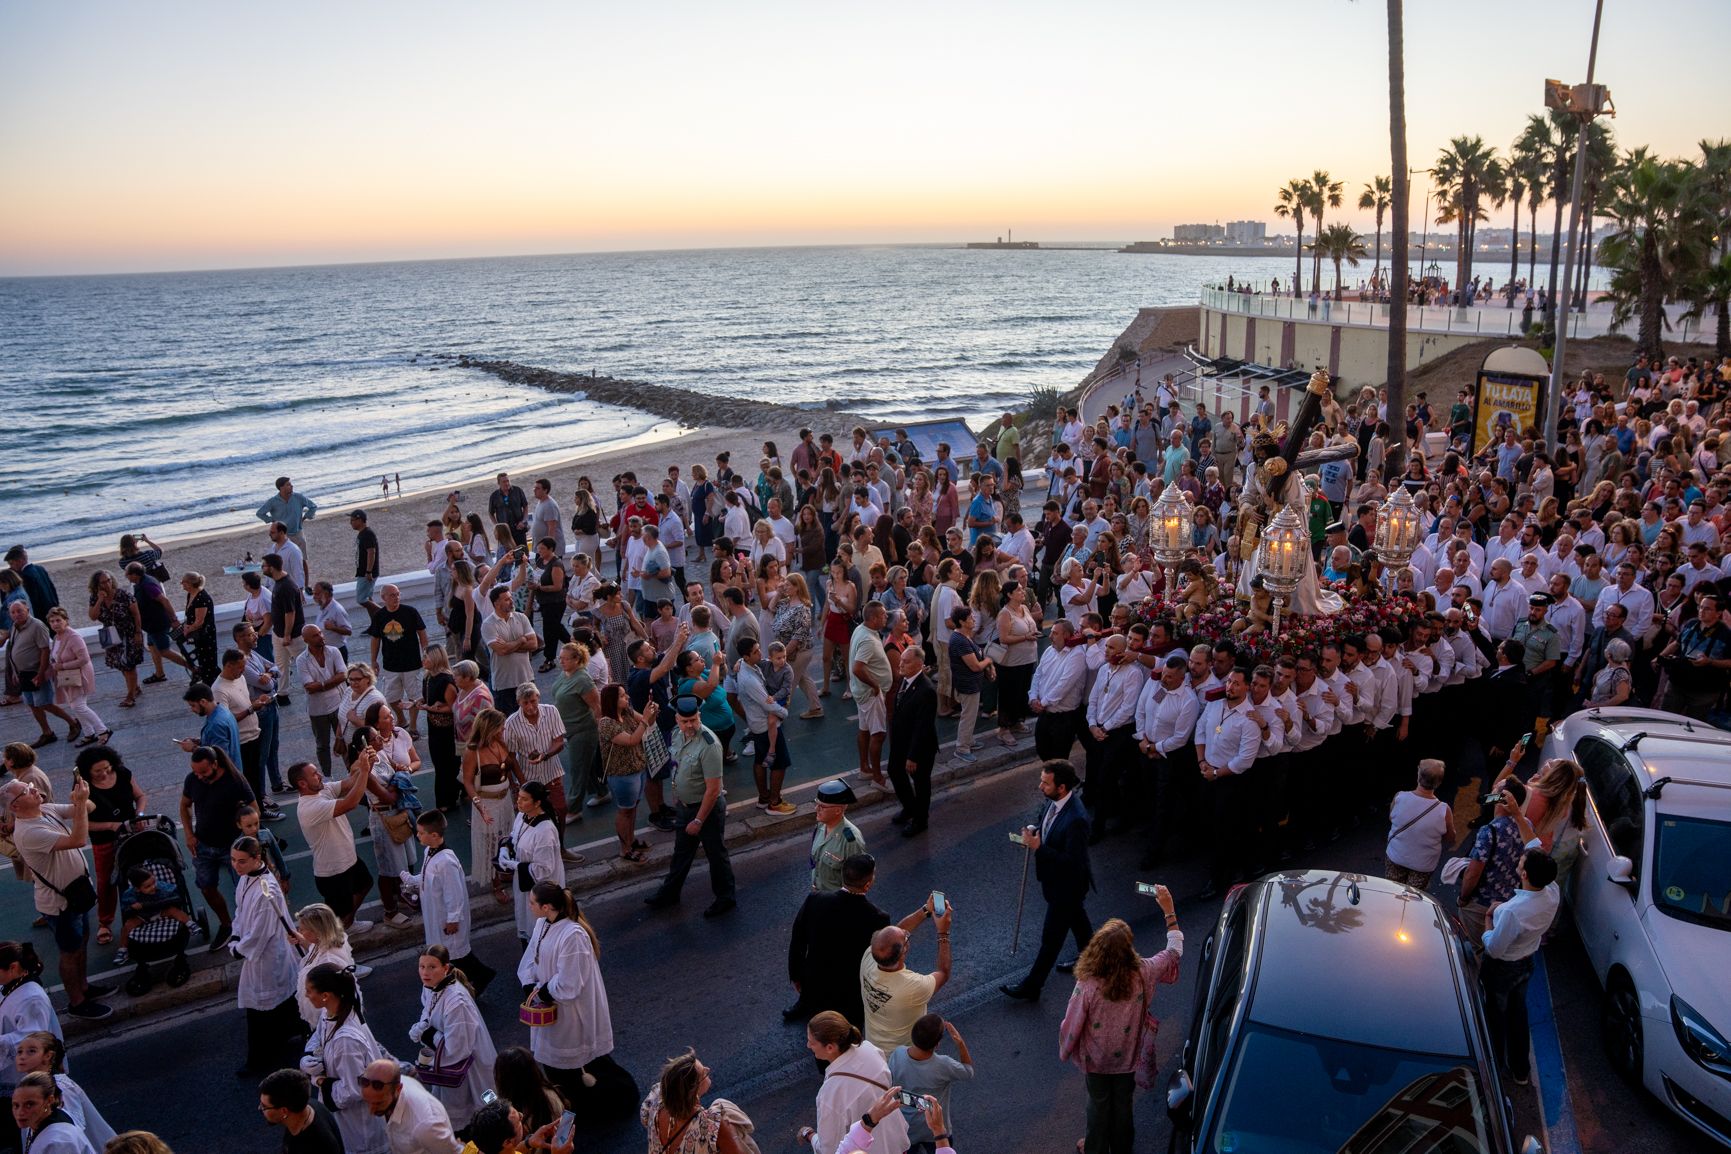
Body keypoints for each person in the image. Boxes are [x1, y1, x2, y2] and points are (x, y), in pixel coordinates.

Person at [2, 777, 111, 1019]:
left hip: (76, 894)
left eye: (30, 786)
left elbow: (88, 807)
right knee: (69, 952)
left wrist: (81, 798)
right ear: (15, 807)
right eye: (27, 791)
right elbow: (78, 839)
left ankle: (84, 987)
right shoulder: (29, 832)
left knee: (81, 941)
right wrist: (81, 805)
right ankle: (77, 1002)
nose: (35, 789)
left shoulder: (46, 809)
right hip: (60, 904)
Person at [786, 854, 930, 1027]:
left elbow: (798, 941)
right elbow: (882, 951)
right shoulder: (877, 917)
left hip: (814, 984)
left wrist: (796, 976)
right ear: (867, 884)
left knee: (819, 1030)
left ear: (843, 876)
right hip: (850, 994)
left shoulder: (815, 900)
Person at [516, 882, 619, 1104]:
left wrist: (543, 991)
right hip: (551, 1004)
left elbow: (570, 984)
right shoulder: (542, 924)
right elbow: (531, 959)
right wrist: (528, 982)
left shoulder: (573, 935)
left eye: (533, 902)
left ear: (547, 907)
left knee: (574, 1064)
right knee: (556, 1064)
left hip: (571, 1011)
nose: (529, 905)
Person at [1002, 760, 1093, 1002]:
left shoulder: (1077, 819)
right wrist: (1034, 829)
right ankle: (1093, 959)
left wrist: (1039, 848)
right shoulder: (1054, 801)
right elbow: (1045, 819)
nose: (1040, 786)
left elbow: (1073, 861)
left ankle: (1032, 986)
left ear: (1061, 787)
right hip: (1054, 882)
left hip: (1067, 886)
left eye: (1045, 782)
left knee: (1051, 939)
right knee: (1079, 922)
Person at [644, 695, 736, 918]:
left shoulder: (709, 744)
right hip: (685, 807)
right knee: (681, 853)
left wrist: (698, 820)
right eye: (685, 721)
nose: (690, 725)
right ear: (677, 719)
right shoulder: (677, 735)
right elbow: (677, 766)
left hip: (706, 810)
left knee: (716, 854)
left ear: (699, 717)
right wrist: (677, 797)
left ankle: (725, 898)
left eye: (693, 720)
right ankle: (670, 893)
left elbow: (713, 789)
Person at [1480, 847, 1561, 1087]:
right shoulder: (1552, 892)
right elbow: (1533, 841)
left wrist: (1488, 918)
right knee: (1518, 1014)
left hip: (1501, 969)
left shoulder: (1512, 913)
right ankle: (1520, 1069)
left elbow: (1493, 948)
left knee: (1495, 1019)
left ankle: (1493, 1070)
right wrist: (1517, 816)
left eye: (1521, 862)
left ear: (1524, 874)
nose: (1518, 863)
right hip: (1526, 962)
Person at [230, 835, 306, 1079]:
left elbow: (258, 934)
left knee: (260, 1009)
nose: (236, 866)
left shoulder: (266, 890)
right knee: (280, 999)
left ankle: (258, 1060)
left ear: (257, 859)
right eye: (233, 860)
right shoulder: (245, 879)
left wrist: (238, 948)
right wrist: (234, 934)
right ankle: (297, 1029)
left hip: (268, 955)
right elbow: (240, 912)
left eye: (241, 861)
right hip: (261, 952)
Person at [300, 963, 390, 1154]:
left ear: (325, 995)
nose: (306, 995)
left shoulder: (346, 1042)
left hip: (360, 1126)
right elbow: (319, 1035)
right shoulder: (333, 1011)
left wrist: (320, 1080)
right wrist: (309, 1055)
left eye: (309, 991)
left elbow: (353, 1089)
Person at [405, 945, 496, 1132]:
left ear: (445, 968)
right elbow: (429, 1012)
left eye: (432, 967)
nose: (425, 972)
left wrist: (429, 1035)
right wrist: (422, 1027)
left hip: (472, 1068)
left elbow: (458, 1048)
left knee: (485, 1109)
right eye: (422, 966)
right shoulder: (431, 987)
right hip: (451, 1068)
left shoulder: (457, 1001)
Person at [401, 811, 494, 992]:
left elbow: (455, 893)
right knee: (448, 953)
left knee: (455, 954)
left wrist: (453, 919)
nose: (417, 835)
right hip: (435, 913)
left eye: (421, 832)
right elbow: (428, 875)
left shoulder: (446, 862)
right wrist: (413, 880)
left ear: (434, 835)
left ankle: (479, 976)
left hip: (446, 918)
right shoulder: (429, 851)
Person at [800, 1012, 910, 1154]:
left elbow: (829, 1148)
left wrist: (809, 1135)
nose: (808, 1045)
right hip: (895, 1140)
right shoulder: (868, 1048)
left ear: (830, 1047)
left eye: (812, 1042)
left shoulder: (830, 1094)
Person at [289, 757, 375, 932]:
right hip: (333, 872)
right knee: (334, 918)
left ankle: (348, 923)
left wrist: (366, 761)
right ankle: (336, 940)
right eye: (314, 774)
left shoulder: (323, 790)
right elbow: (350, 803)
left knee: (365, 884)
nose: (320, 776)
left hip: (348, 860)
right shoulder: (309, 807)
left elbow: (350, 783)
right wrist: (365, 770)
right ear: (302, 784)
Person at [860, 899, 953, 1052]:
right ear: (904, 951)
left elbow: (892, 935)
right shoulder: (912, 986)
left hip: (873, 1047)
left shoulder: (870, 956)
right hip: (901, 1058)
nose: (905, 932)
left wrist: (925, 910)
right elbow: (944, 972)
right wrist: (943, 933)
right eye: (906, 938)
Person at [0, 941, 60, 1151]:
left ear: (14, 968)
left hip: (21, 1078)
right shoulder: (10, 985)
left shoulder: (31, 998)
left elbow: (31, 1039)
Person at [640, 1049, 757, 1154]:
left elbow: (645, 1119)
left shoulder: (655, 1099)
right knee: (724, 1108)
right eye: (703, 1074)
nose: (708, 1069)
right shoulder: (711, 1125)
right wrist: (730, 1131)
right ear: (693, 1091)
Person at [887, 1015, 973, 1154]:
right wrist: (960, 1042)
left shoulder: (897, 1054)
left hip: (907, 1127)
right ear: (937, 1044)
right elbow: (968, 1071)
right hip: (935, 1129)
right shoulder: (944, 1065)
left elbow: (891, 1085)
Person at [12, 1033, 113, 1149]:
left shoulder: (61, 1087)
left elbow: (71, 1127)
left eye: (31, 1051)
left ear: (48, 1056)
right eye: (19, 1052)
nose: (22, 1056)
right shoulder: (31, 1085)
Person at [5, 602, 78, 749]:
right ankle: (47, 733)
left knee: (44, 703)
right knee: (32, 704)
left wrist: (41, 673)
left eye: (19, 611)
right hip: (23, 673)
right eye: (12, 612)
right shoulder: (15, 626)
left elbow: (45, 650)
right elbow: (13, 649)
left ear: (27, 610)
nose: (16, 614)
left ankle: (73, 723)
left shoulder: (37, 626)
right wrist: (14, 671)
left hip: (36, 672)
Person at [357, 1057, 462, 1154]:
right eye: (368, 1102)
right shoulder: (393, 1083)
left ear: (398, 1089)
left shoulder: (425, 1125)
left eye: (378, 1103)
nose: (371, 1111)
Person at [886, 648, 938, 837]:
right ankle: (910, 807)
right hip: (901, 742)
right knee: (894, 771)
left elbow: (922, 727)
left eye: (906, 662)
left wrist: (913, 756)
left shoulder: (926, 690)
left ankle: (920, 820)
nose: (901, 665)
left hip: (919, 748)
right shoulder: (905, 680)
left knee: (921, 784)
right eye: (901, 661)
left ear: (918, 664)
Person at [1384, 759, 1458, 891]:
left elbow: (1391, 818)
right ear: (1438, 783)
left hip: (1396, 856)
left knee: (1393, 892)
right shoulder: (1443, 810)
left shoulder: (1400, 797)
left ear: (1418, 776)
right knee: (1413, 897)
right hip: (1423, 864)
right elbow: (1450, 838)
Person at [503, 782, 564, 941]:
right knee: (526, 921)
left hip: (541, 889)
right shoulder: (522, 816)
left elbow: (544, 869)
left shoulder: (544, 831)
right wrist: (505, 848)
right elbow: (515, 836)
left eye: (524, 799)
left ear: (537, 803)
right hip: (524, 883)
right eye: (519, 797)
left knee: (539, 929)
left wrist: (514, 865)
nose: (518, 801)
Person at [367, 585, 428, 732]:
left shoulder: (410, 612)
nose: (396, 598)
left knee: (415, 697)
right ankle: (401, 718)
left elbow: (422, 632)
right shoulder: (379, 616)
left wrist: (425, 653)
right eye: (392, 595)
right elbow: (375, 639)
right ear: (384, 598)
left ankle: (413, 727)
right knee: (391, 697)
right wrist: (373, 660)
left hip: (412, 663)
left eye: (398, 594)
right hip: (390, 664)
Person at [46, 609, 107, 748]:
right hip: (68, 676)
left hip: (80, 675)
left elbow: (84, 659)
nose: (55, 624)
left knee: (78, 706)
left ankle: (103, 730)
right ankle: (89, 733)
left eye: (58, 620)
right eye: (52, 621)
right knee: (75, 705)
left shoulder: (74, 637)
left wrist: (62, 665)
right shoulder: (57, 637)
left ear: (66, 620)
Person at [849, 601, 893, 785]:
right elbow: (858, 668)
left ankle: (864, 768)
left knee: (864, 730)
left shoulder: (861, 629)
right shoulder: (867, 639)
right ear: (873, 618)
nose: (886, 617)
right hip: (871, 694)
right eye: (883, 615)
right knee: (879, 734)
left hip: (862, 692)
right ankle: (877, 777)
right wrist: (875, 686)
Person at [259, 1067, 344, 1154]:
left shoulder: (316, 1146)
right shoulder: (307, 1105)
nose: (260, 1108)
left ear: (284, 1111)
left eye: (264, 1106)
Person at [11, 1072, 97, 1154]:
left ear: (49, 1101)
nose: (20, 1112)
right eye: (16, 1105)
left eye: (29, 1104)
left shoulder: (59, 1141)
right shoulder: (38, 1121)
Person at [809, 779, 865, 893]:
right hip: (818, 894)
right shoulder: (821, 825)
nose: (816, 809)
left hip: (836, 902)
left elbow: (856, 882)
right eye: (816, 803)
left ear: (838, 810)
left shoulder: (851, 840)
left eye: (822, 806)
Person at [351, 511, 382, 615]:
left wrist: (368, 571)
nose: (351, 523)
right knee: (368, 598)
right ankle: (374, 624)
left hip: (367, 572)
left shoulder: (367, 534)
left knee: (361, 599)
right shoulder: (363, 534)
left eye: (353, 520)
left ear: (360, 520)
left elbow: (371, 552)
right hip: (363, 571)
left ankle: (385, 614)